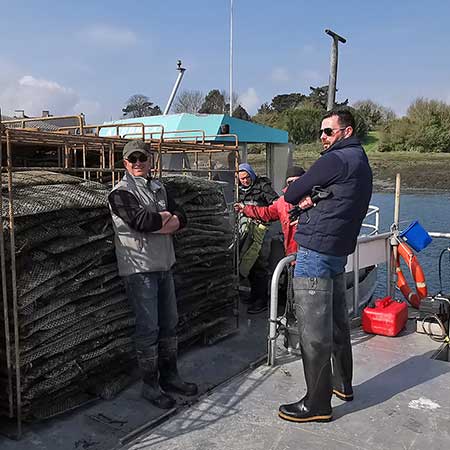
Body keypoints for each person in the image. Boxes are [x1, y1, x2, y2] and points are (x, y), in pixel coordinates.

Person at [279, 109, 373, 423]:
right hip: (337, 252)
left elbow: (292, 192)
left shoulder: (335, 159)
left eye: (328, 132)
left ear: (345, 132)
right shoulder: (361, 161)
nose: (322, 137)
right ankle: (342, 384)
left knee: (313, 331)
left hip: (315, 252)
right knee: (336, 322)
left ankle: (316, 404)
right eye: (321, 132)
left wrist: (307, 198)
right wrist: (319, 197)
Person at [108, 140, 198, 410]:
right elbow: (141, 222)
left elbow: (184, 217)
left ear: (150, 161)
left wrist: (165, 220)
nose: (138, 163)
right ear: (125, 163)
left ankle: (171, 377)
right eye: (132, 159)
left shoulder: (160, 188)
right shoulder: (120, 193)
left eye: (142, 158)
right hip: (139, 270)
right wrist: (166, 221)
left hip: (164, 266)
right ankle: (150, 385)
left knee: (169, 324)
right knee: (149, 328)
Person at [235, 166, 306, 257]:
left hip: (311, 252)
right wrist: (245, 209)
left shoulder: (315, 199)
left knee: (264, 250)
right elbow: (267, 212)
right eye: (290, 182)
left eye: (297, 181)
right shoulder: (282, 202)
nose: (245, 181)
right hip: (292, 252)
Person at [237, 163, 279, 314]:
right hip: (246, 230)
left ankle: (261, 300)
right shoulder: (238, 190)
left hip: (262, 231)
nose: (245, 181)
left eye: (247, 178)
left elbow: (276, 206)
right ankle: (253, 295)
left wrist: (258, 213)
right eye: (242, 179)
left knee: (260, 264)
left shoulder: (263, 187)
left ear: (252, 175)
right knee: (247, 262)